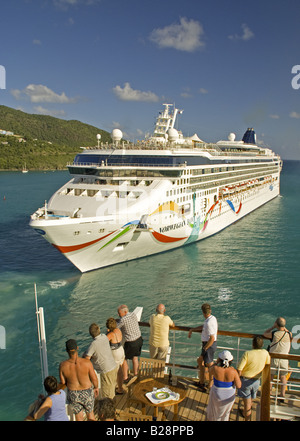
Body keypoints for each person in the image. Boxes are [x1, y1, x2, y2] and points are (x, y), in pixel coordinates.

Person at [59, 339, 99, 421]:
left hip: (73, 393)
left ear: (67, 351)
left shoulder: (63, 365)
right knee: (90, 415)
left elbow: (63, 382)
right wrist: (96, 387)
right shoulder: (87, 363)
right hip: (87, 391)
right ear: (77, 348)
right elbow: (94, 378)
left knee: (79, 417)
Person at [237, 335, 270, 420]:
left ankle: (247, 417)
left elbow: (239, 369)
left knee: (247, 402)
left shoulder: (247, 354)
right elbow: (267, 365)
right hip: (257, 381)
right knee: (250, 399)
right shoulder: (265, 353)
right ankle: (245, 412)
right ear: (262, 344)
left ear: (253, 344)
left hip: (246, 380)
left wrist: (237, 380)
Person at [188, 303, 218, 392]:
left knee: (210, 365)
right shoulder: (211, 318)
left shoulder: (209, 322)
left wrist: (205, 349)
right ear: (210, 311)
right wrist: (192, 329)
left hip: (208, 345)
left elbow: (212, 338)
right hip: (207, 345)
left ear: (203, 313)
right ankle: (202, 382)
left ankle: (210, 386)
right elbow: (204, 327)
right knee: (200, 361)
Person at [84, 323, 119, 399]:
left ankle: (109, 409)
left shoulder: (93, 344)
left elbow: (87, 358)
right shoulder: (104, 337)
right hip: (113, 366)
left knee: (107, 394)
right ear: (99, 330)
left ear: (91, 334)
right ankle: (112, 407)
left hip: (106, 370)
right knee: (111, 390)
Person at [206, 350, 241, 421]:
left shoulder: (215, 369)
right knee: (225, 413)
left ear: (220, 360)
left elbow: (209, 371)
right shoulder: (233, 371)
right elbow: (239, 385)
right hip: (229, 395)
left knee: (215, 411)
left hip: (217, 393)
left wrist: (216, 363)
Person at [263, 317, 292, 400]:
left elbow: (265, 333)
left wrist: (273, 327)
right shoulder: (289, 334)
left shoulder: (274, 333)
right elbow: (287, 331)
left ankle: (269, 393)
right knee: (283, 377)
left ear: (276, 324)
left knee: (271, 376)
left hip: (274, 357)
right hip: (284, 358)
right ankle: (282, 395)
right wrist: (283, 327)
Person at [117, 304, 143, 381]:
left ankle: (125, 377)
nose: (118, 315)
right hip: (139, 339)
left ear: (124, 312)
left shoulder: (123, 320)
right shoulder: (133, 314)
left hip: (131, 342)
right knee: (135, 358)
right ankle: (135, 375)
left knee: (124, 359)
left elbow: (117, 327)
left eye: (119, 313)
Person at [106, 317, 126, 394]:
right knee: (120, 370)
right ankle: (120, 387)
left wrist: (107, 333)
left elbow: (104, 342)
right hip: (121, 350)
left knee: (113, 371)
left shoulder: (110, 334)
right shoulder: (118, 331)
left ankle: (114, 388)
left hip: (115, 353)